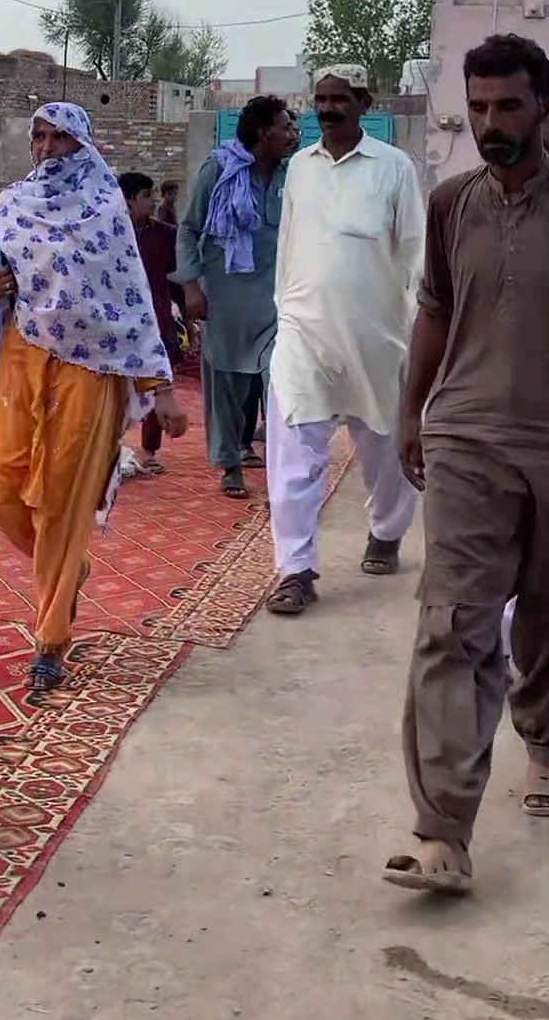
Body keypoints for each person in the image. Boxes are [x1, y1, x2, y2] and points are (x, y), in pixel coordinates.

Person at [383, 33, 549, 895]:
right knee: (453, 623)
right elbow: (435, 311)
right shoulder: (451, 204)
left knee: (544, 620)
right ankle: (442, 830)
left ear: (542, 107)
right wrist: (411, 411)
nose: (490, 123)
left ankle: (542, 741)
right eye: (478, 107)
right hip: (467, 437)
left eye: (508, 106)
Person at [0, 103, 188, 691]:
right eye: (38, 137)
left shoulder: (105, 211)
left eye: (59, 138)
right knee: (0, 494)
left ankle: (50, 639)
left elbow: (131, 299)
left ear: (82, 145)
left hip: (88, 372)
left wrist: (160, 387)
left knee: (62, 506)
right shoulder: (12, 203)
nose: (45, 148)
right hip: (20, 362)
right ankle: (69, 569)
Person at [265, 66, 425, 614]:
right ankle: (295, 570)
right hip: (303, 332)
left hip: (376, 335)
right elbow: (289, 243)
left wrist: (414, 327)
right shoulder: (300, 167)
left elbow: (414, 252)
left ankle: (387, 530)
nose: (327, 109)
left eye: (339, 99)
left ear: (363, 103)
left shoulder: (393, 167)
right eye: (321, 99)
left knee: (382, 446)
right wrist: (285, 308)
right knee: (292, 450)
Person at [177, 97, 299, 499]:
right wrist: (190, 285)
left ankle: (283, 469)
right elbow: (189, 229)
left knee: (280, 381)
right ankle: (230, 463)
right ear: (264, 133)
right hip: (225, 296)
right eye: (285, 126)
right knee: (227, 386)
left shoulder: (293, 174)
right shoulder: (219, 169)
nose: (293, 134)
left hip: (277, 298)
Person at [117, 171, 185, 474]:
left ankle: (150, 450)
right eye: (147, 195)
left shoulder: (164, 234)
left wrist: (186, 318)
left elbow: (174, 279)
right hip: (119, 324)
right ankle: (113, 448)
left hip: (157, 318)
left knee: (156, 381)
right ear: (128, 199)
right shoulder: (110, 236)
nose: (153, 200)